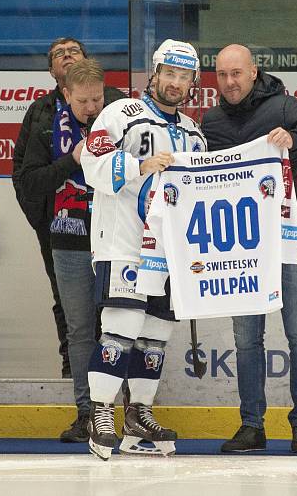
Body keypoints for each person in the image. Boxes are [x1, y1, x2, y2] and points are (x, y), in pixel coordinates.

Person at [201, 44, 297, 454]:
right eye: (222, 75)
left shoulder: (283, 107)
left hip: (291, 242)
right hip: (241, 249)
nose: (230, 82)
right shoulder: (210, 120)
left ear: (254, 71)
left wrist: (295, 138)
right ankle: (252, 425)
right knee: (246, 340)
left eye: (237, 73)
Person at [80, 39, 206, 460]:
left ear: (192, 82)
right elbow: (92, 164)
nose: (174, 82)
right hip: (124, 244)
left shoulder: (193, 132)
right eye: (168, 73)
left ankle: (138, 413)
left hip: (168, 252)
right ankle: (100, 412)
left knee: (156, 335)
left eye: (183, 76)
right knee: (122, 326)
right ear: (154, 74)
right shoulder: (120, 114)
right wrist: (139, 165)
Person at [11, 37, 124, 381]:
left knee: (118, 314)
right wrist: (43, 218)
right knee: (70, 307)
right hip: (59, 227)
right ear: (54, 73)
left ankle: (115, 391)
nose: (67, 56)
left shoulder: (119, 105)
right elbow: (25, 176)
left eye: (74, 51)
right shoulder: (41, 112)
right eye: (59, 54)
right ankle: (74, 377)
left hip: (115, 230)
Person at [19, 59, 106, 443]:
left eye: (98, 99)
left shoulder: (119, 124)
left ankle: (121, 410)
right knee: (81, 330)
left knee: (120, 329)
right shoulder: (44, 129)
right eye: (84, 101)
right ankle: (86, 412)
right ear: (66, 94)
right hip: (68, 240)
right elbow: (32, 183)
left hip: (113, 241)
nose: (92, 108)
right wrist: (72, 160)